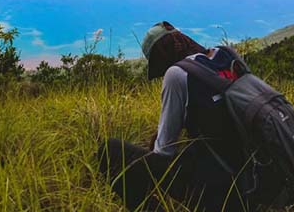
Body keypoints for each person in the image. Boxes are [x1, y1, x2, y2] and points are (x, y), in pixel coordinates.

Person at [98, 21, 249, 211]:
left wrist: (154, 145)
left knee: (109, 150)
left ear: (162, 54)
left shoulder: (177, 74)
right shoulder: (228, 56)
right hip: (251, 182)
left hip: (217, 193)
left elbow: (164, 150)